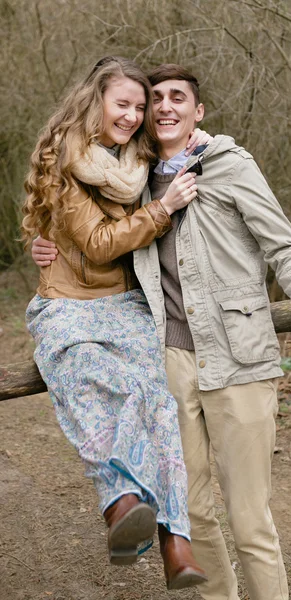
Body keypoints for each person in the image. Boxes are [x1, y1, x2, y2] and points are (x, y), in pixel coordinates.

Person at [32, 63, 291, 600]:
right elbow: (97, 237)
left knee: (249, 520)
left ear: (198, 113)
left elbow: (282, 247)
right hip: (168, 358)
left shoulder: (231, 167)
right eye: (156, 99)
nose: (165, 106)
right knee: (193, 512)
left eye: (179, 98)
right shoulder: (135, 180)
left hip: (238, 358)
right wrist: (44, 247)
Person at [21, 56, 209, 591]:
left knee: (156, 398)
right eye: (120, 104)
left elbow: (190, 141)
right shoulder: (67, 158)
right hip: (68, 303)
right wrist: (162, 210)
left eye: (138, 107)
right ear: (94, 103)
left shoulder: (141, 158)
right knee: (84, 377)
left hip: (126, 302)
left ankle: (177, 540)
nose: (131, 116)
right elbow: (99, 242)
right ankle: (121, 502)